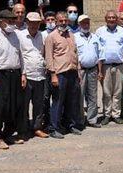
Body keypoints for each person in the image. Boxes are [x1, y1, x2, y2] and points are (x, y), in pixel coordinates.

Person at [0, 9, 26, 150]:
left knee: (14, 106)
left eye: (13, 21)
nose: (12, 24)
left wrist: (23, 74)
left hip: (15, 74)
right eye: (9, 21)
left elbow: (21, 56)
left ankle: (8, 134)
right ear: (1, 21)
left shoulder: (16, 36)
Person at [45, 11, 81, 139]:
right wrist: (53, 75)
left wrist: (78, 72)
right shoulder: (52, 37)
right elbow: (49, 57)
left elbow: (76, 54)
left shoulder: (71, 35)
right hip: (59, 74)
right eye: (61, 21)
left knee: (71, 101)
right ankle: (54, 128)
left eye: (65, 20)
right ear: (56, 21)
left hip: (72, 72)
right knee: (57, 102)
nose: (64, 22)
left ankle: (69, 125)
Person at [96, 10, 123, 125]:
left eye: (113, 18)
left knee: (117, 92)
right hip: (105, 66)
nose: (111, 19)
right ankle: (107, 114)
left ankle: (116, 114)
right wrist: (99, 69)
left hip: (119, 66)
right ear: (105, 19)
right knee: (106, 92)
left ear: (116, 19)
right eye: (109, 18)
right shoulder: (99, 31)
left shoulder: (122, 31)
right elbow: (97, 51)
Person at [17, 12, 48, 139]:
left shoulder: (43, 36)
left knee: (39, 104)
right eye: (32, 22)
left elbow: (45, 53)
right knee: (24, 105)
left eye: (37, 22)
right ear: (27, 22)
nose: (34, 25)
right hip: (27, 75)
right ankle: (23, 129)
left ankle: (37, 127)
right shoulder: (20, 36)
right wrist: (22, 74)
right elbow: (18, 55)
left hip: (40, 75)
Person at [74, 14, 100, 127]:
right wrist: (77, 70)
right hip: (81, 71)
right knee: (80, 95)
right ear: (79, 24)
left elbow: (99, 54)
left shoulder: (95, 37)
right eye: (83, 22)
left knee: (93, 96)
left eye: (87, 22)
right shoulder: (74, 37)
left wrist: (100, 71)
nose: (86, 24)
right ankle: (80, 120)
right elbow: (74, 55)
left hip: (93, 70)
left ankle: (92, 119)